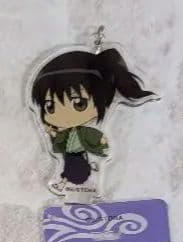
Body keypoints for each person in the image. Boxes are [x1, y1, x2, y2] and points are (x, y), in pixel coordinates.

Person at [30, 48, 155, 193]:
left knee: (77, 170)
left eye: (79, 104)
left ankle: (85, 184)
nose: (63, 116)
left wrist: (101, 143)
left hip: (79, 155)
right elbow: (60, 139)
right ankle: (70, 182)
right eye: (50, 107)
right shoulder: (68, 133)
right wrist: (52, 133)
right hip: (69, 155)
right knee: (68, 168)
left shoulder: (86, 132)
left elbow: (94, 138)